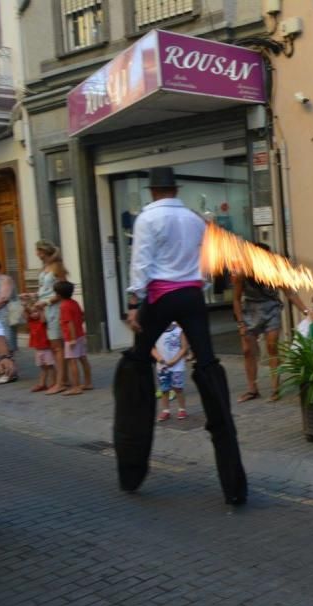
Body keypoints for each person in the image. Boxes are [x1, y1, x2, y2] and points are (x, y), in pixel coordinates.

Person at [114, 166, 247, 505]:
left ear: (153, 191)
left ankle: (131, 467)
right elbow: (206, 263)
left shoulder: (147, 218)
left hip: (160, 296)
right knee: (208, 367)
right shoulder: (193, 219)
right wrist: (199, 290)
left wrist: (133, 302)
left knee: (136, 364)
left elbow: (140, 262)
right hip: (191, 296)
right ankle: (234, 486)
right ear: (174, 189)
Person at [232, 242, 309, 402]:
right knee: (248, 351)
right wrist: (240, 323)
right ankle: (252, 389)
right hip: (250, 310)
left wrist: (307, 312)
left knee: (272, 347)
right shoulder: (241, 273)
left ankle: (275, 389)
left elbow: (290, 293)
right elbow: (236, 299)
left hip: (271, 309)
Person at [31, 240, 69, 394]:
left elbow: (63, 290)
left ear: (45, 251)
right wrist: (33, 296)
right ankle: (62, 379)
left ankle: (60, 382)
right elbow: (44, 289)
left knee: (57, 347)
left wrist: (46, 301)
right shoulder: (45, 268)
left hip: (55, 309)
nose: (37, 254)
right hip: (45, 309)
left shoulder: (57, 267)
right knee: (54, 347)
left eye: (39, 251)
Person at [54, 281, 92, 396]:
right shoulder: (74, 302)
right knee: (83, 359)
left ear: (59, 295)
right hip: (80, 335)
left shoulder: (64, 306)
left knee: (72, 361)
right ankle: (88, 382)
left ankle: (75, 387)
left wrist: (72, 338)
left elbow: (69, 323)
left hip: (71, 338)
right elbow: (82, 316)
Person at [153, 322, 189, 421]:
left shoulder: (179, 330)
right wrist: (159, 358)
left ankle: (182, 409)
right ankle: (166, 410)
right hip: (162, 366)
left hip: (177, 365)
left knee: (178, 388)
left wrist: (175, 360)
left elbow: (184, 347)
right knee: (164, 389)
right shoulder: (155, 329)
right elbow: (152, 347)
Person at [25, 298, 55, 392]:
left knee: (50, 367)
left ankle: (53, 383)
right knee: (42, 368)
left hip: (46, 349)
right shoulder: (31, 321)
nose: (33, 314)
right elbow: (25, 314)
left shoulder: (41, 321)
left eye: (35, 311)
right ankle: (42, 384)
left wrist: (41, 309)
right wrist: (24, 305)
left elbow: (43, 319)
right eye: (31, 313)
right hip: (38, 349)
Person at [0, 258, 19, 359]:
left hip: (5, 317)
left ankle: (10, 372)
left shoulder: (5, 279)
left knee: (7, 349)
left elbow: (4, 298)